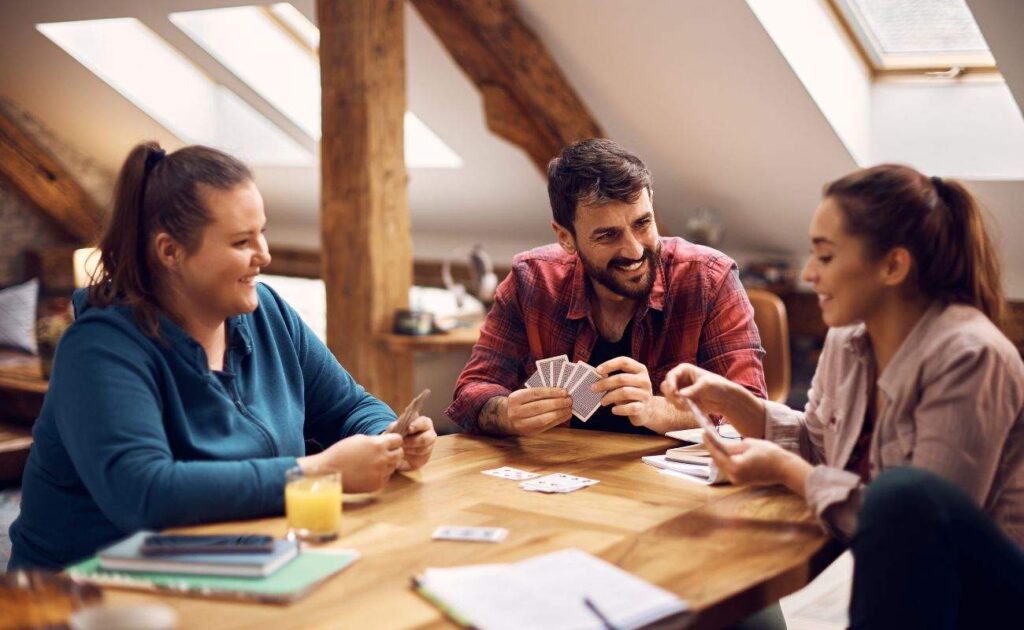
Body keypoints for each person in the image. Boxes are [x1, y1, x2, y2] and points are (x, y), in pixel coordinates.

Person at [9, 142, 436, 570]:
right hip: (85, 595)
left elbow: (349, 406)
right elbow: (145, 494)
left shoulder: (268, 313)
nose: (264, 255)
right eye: (241, 241)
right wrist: (316, 471)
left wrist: (389, 436)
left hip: (234, 566)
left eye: (262, 233)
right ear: (170, 251)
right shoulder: (99, 349)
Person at [661, 164, 1024, 626]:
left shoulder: (970, 357)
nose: (809, 274)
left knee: (903, 495)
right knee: (718, 611)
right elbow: (820, 444)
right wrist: (732, 401)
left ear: (893, 265)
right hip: (893, 583)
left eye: (826, 257)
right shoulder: (848, 337)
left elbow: (916, 528)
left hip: (981, 600)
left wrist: (791, 474)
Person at [448, 138, 766, 437]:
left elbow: (753, 413)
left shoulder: (709, 278)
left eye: (643, 224)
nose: (634, 250)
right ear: (565, 237)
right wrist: (505, 413)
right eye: (607, 236)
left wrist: (662, 410)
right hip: (562, 477)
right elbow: (471, 391)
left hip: (675, 489)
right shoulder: (531, 280)